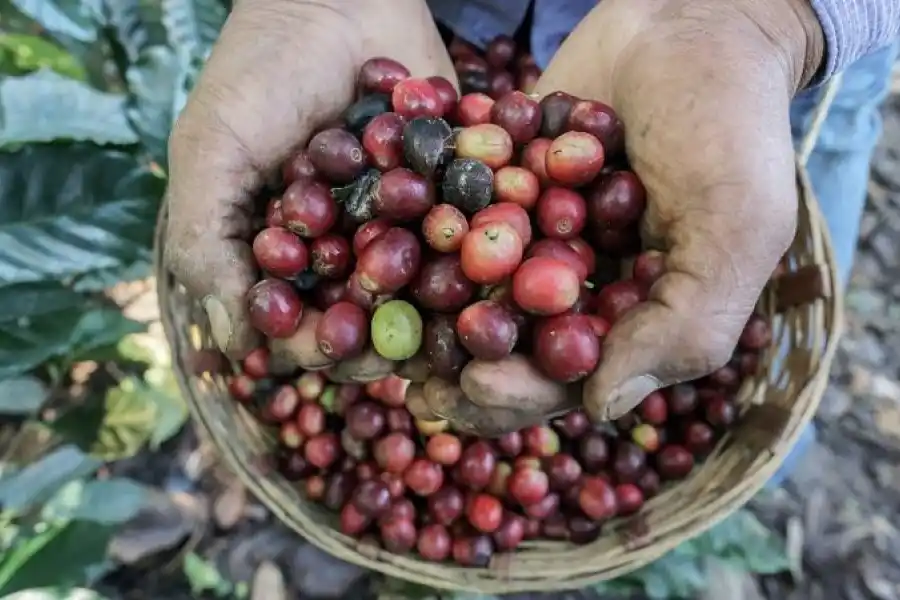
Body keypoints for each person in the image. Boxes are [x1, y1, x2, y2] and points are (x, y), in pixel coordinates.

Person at [164, 0, 899, 470]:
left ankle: (783, 460)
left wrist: (762, 19)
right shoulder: (439, 209)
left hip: (744, 61)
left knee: (748, 242)